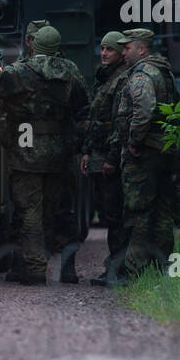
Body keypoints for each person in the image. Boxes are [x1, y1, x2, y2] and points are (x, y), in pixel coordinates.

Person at [0, 25, 88, 285]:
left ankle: (36, 270)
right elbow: (84, 109)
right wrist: (77, 144)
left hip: (26, 153)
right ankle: (65, 268)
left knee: (30, 211)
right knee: (56, 211)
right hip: (59, 154)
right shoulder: (71, 71)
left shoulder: (20, 72)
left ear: (32, 45)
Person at [104, 27, 180, 284]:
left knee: (138, 212)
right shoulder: (164, 72)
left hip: (145, 151)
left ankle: (134, 272)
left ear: (142, 49)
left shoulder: (142, 74)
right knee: (162, 211)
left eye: (127, 48)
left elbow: (144, 109)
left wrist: (135, 141)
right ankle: (163, 269)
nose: (123, 52)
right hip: (165, 149)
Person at [80, 31, 130, 285]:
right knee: (109, 213)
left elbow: (119, 125)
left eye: (109, 49)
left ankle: (119, 270)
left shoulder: (122, 79)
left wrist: (111, 158)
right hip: (99, 156)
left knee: (115, 216)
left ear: (121, 53)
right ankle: (114, 267)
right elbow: (96, 119)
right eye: (102, 48)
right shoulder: (106, 78)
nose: (104, 53)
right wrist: (88, 151)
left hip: (111, 158)